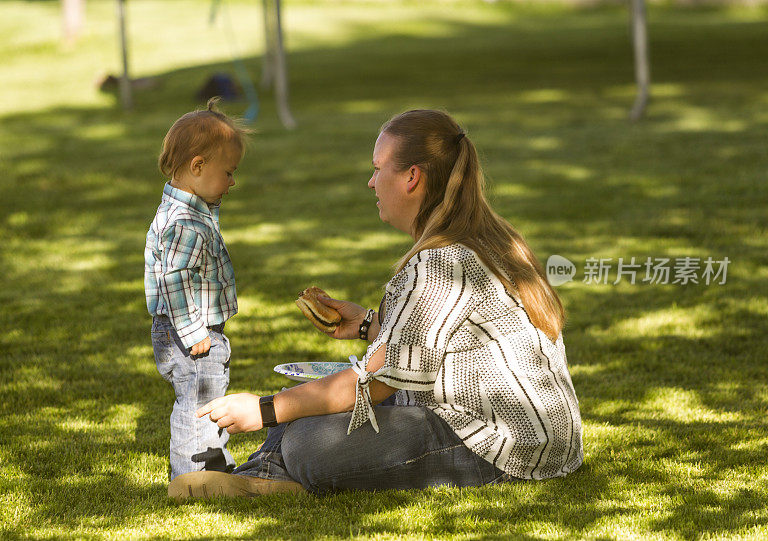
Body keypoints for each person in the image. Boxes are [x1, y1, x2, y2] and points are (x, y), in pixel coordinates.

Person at [167, 109, 583, 499]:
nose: (370, 181)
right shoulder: (492, 237)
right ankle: (264, 475)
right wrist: (369, 324)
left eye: (378, 168)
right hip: (542, 437)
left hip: (505, 447)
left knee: (311, 439)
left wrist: (263, 409)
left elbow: (378, 380)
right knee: (307, 404)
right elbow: (439, 345)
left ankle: (268, 473)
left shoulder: (438, 262)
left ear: (412, 177)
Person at [145, 98, 247, 480]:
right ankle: (192, 476)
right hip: (189, 331)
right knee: (199, 400)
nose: (232, 181)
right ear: (198, 166)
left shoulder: (188, 208)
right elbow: (173, 280)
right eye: (228, 172)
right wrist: (192, 332)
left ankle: (213, 463)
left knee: (209, 394)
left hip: (193, 330)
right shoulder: (185, 222)